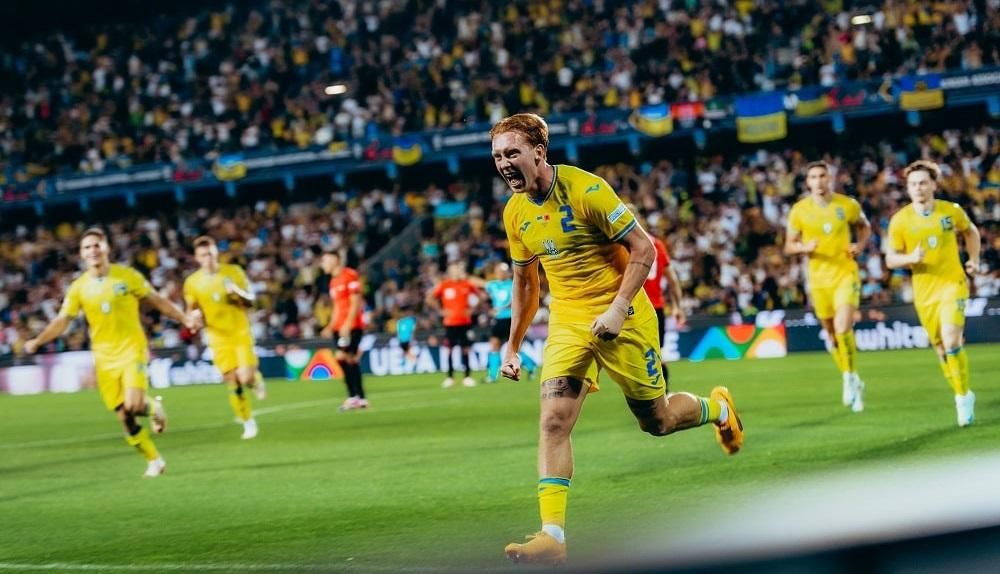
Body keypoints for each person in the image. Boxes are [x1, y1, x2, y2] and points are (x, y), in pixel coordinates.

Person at [491, 113, 743, 565]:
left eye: (513, 153)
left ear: (539, 152)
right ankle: (552, 536)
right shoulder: (515, 212)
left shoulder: (587, 190)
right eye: (497, 156)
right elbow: (525, 283)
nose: (504, 163)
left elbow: (644, 248)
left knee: (657, 421)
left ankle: (720, 409)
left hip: (622, 316)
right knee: (553, 421)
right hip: (568, 322)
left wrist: (618, 306)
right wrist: (512, 346)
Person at [23, 228, 194, 477]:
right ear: (81, 254)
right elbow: (63, 320)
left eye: (96, 245)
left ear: (106, 248)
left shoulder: (127, 276)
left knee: (134, 404)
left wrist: (184, 318)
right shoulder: (79, 287)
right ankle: (154, 460)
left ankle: (152, 407)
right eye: (87, 247)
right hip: (104, 357)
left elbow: (157, 300)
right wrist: (38, 341)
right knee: (124, 416)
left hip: (131, 349)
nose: (92, 250)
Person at [886, 160, 982, 426]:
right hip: (924, 291)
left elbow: (970, 231)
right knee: (940, 348)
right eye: (913, 184)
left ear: (933, 185)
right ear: (907, 188)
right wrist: (910, 258)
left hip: (953, 284)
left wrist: (973, 259)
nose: (918, 188)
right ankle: (962, 391)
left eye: (923, 183)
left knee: (951, 341)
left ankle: (961, 399)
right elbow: (891, 259)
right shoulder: (900, 220)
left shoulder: (951, 211)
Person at [785, 161, 871, 412]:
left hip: (845, 274)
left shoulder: (847, 205)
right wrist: (803, 247)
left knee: (843, 327)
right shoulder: (799, 211)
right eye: (813, 177)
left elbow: (864, 227)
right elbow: (789, 245)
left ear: (830, 178)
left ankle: (849, 377)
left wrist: (860, 245)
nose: (818, 181)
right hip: (818, 280)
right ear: (808, 182)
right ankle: (852, 377)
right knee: (832, 336)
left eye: (822, 175)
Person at [183, 236, 263, 440]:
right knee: (232, 381)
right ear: (197, 258)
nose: (207, 258)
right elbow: (191, 309)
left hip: (240, 332)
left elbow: (251, 301)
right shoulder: (192, 282)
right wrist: (194, 317)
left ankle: (255, 379)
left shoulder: (233, 272)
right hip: (217, 337)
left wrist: (237, 293)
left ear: (216, 253)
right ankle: (247, 421)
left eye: (210, 254)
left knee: (245, 377)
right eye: (203, 255)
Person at [633, 208, 686, 376]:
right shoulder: (657, 244)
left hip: (635, 308)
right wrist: (677, 307)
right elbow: (673, 280)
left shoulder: (624, 245)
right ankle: (664, 390)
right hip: (656, 309)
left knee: (636, 357)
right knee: (657, 355)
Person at [320, 251, 368, 410]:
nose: (322, 265)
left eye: (325, 261)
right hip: (339, 327)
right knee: (350, 360)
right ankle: (360, 398)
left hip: (352, 327)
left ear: (335, 260)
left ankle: (354, 396)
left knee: (342, 357)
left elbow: (355, 302)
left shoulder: (350, 275)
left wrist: (347, 324)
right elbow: (337, 307)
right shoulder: (333, 282)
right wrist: (330, 326)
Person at [426, 262, 481, 388]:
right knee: (450, 349)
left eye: (457, 269)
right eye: (453, 270)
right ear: (449, 272)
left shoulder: (466, 284)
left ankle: (467, 377)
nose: (455, 272)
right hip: (450, 323)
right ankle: (450, 377)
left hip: (465, 322)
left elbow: (480, 296)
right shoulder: (444, 285)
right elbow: (430, 298)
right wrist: (440, 310)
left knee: (465, 349)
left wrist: (472, 309)